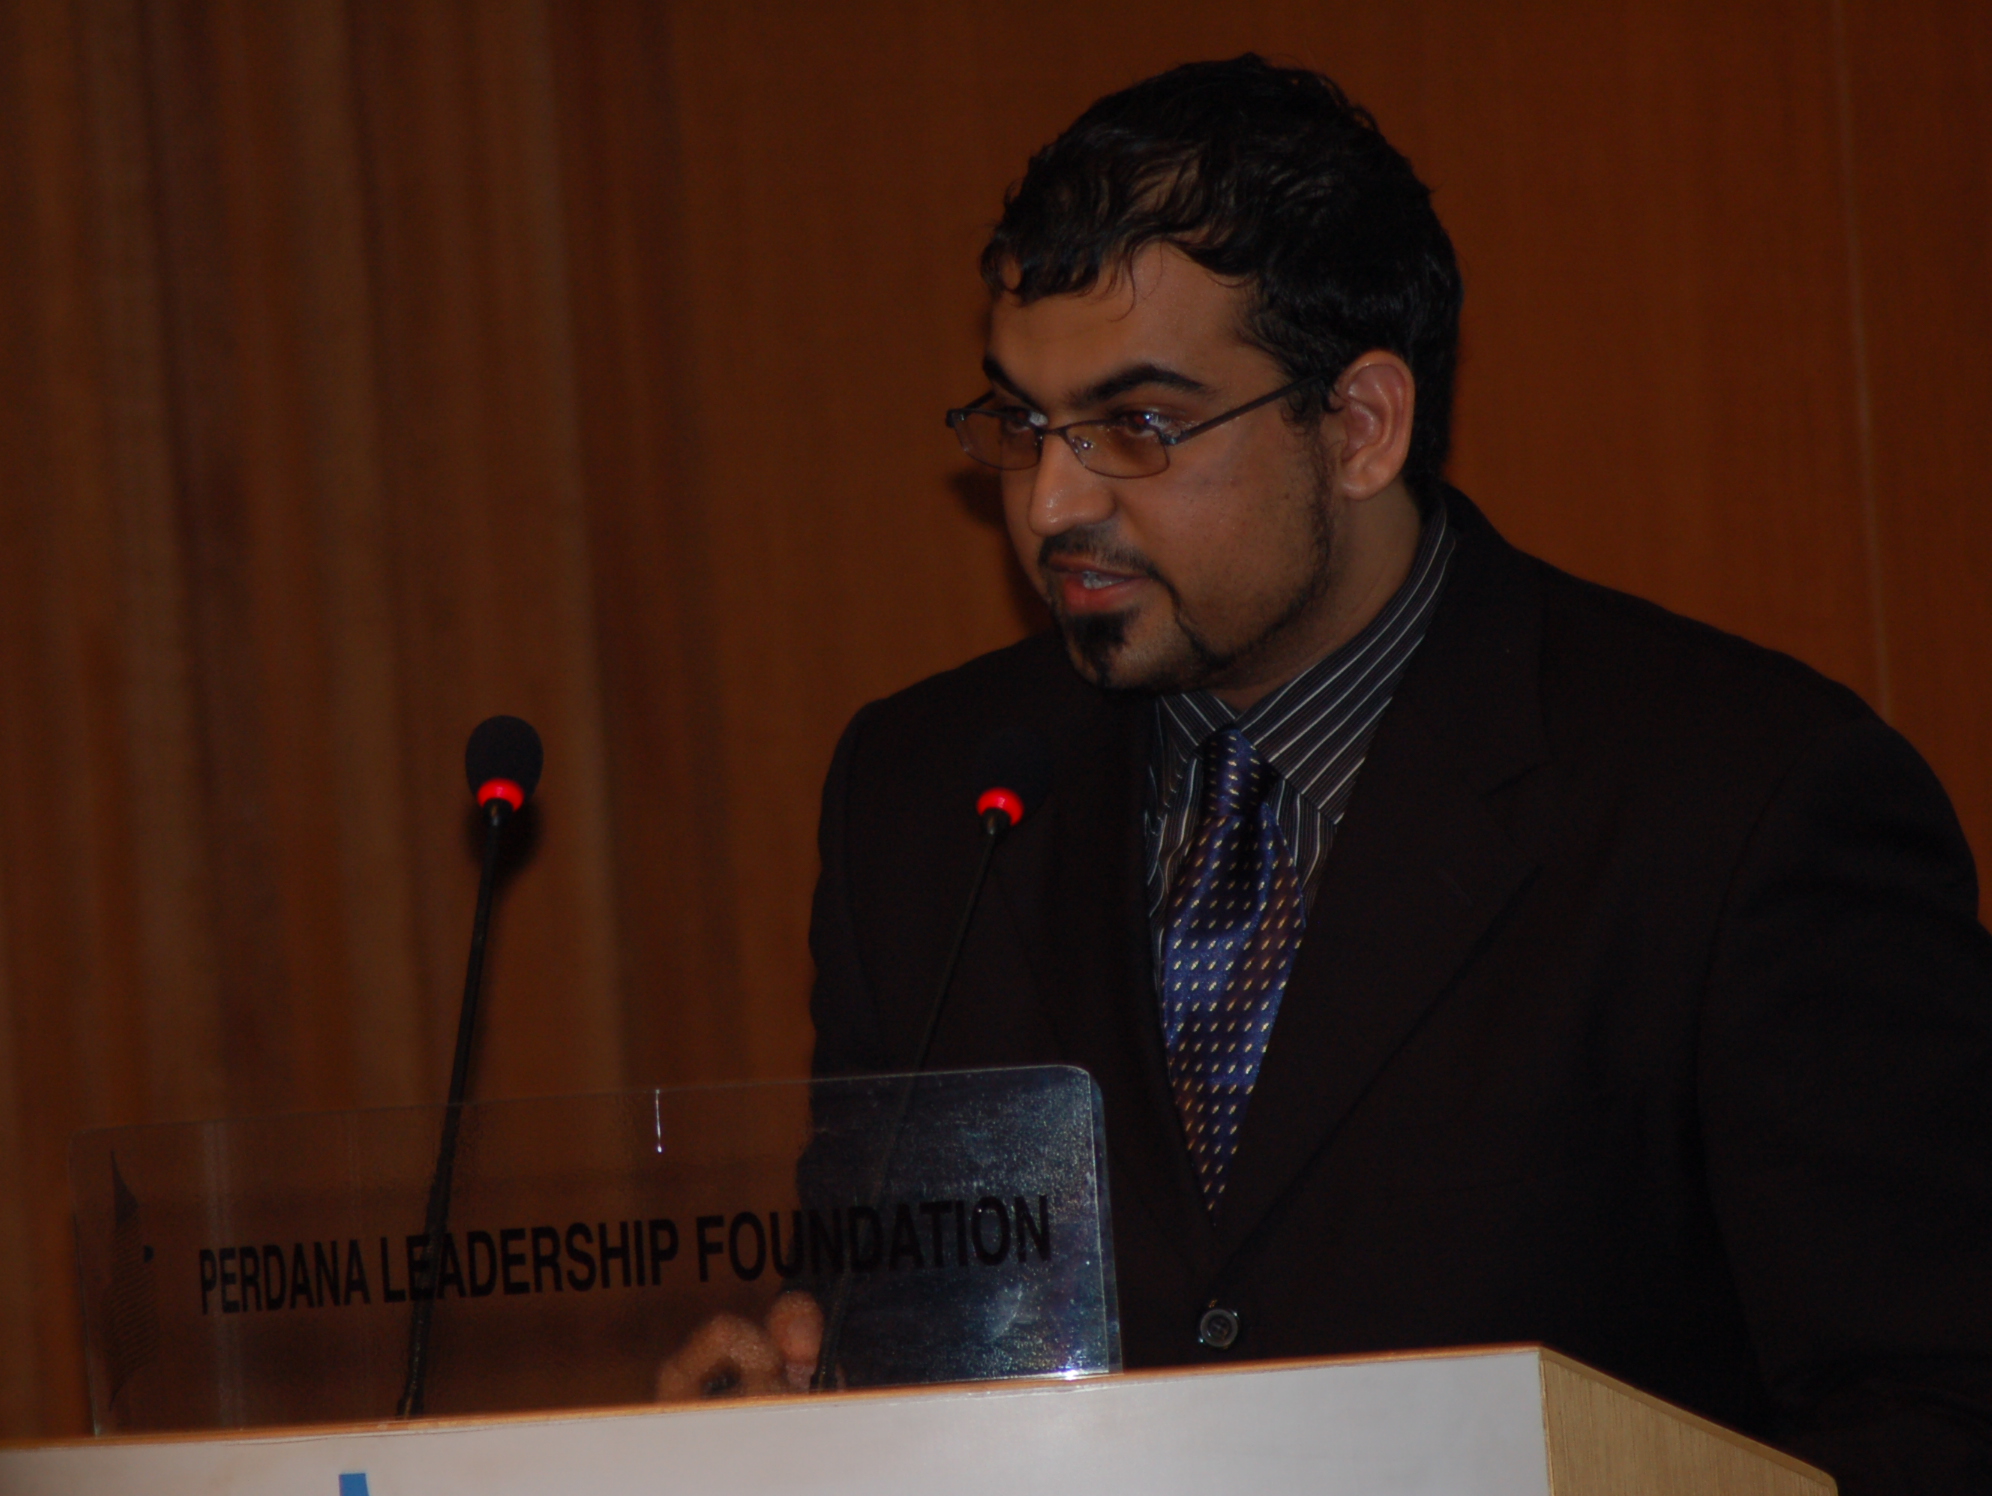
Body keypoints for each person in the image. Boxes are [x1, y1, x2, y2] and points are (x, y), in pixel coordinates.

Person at [668, 54, 1992, 1492]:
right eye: (1024, 425)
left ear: (1360, 428)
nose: (1051, 504)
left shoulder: (1737, 802)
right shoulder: (923, 802)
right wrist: (796, 1410)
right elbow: (879, 1316)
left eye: (1137, 428)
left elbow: (1935, 1414)